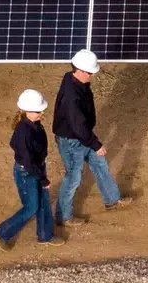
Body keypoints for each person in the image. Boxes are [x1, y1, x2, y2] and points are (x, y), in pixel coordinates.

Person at [54, 49, 131, 224]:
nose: (92, 76)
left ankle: (112, 200)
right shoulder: (72, 97)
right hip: (72, 140)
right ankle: (63, 216)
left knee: (100, 164)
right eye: (90, 73)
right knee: (73, 177)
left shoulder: (71, 77)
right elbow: (77, 125)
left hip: (80, 136)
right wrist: (95, 144)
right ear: (79, 70)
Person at [0, 89, 60, 248]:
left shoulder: (33, 124)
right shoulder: (23, 131)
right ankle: (2, 232)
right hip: (27, 172)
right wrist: (42, 179)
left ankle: (45, 235)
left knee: (43, 201)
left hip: (36, 168)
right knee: (31, 207)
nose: (41, 112)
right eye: (38, 110)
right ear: (26, 111)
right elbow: (27, 160)